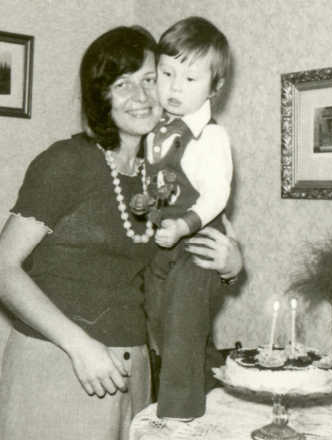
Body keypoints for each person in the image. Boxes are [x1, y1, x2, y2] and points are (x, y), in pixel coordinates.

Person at [0, 25, 242, 440]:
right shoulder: (67, 162)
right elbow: (0, 270)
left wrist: (230, 265)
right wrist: (79, 346)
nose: (140, 97)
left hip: (132, 369)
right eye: (122, 84)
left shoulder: (164, 172)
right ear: (101, 96)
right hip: (62, 362)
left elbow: (187, 261)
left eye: (149, 79)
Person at [136, 16, 233, 421]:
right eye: (167, 73)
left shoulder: (211, 137)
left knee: (181, 328)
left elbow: (217, 194)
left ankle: (177, 418)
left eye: (190, 79)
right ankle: (204, 387)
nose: (175, 87)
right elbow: (153, 181)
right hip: (162, 242)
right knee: (158, 325)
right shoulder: (153, 131)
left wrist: (185, 224)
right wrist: (145, 203)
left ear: (215, 87)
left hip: (197, 245)